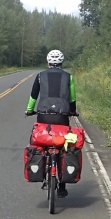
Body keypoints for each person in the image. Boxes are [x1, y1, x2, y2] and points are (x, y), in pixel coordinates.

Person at [25, 49, 77, 197]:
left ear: (48, 62)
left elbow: (33, 96)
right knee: (63, 146)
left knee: (41, 142)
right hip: (62, 116)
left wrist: (29, 110)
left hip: (43, 116)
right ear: (62, 63)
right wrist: (72, 111)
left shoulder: (40, 76)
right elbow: (72, 98)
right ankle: (62, 186)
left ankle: (41, 170)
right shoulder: (69, 77)